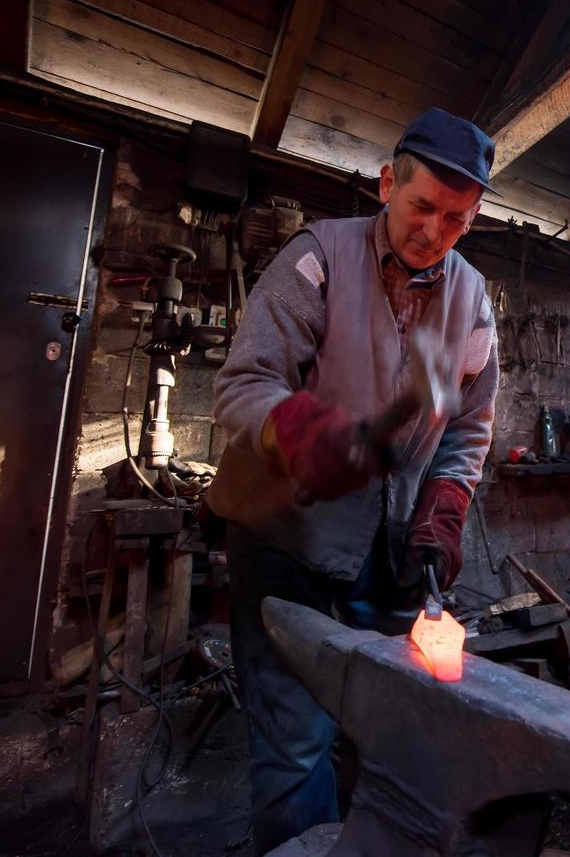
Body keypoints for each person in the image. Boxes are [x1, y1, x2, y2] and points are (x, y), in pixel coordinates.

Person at [207, 108, 499, 853]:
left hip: (391, 553)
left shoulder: (470, 300)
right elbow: (243, 387)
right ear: (386, 183)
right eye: (421, 207)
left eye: (457, 219)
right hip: (286, 544)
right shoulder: (318, 258)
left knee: (383, 739)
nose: (434, 231)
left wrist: (445, 504)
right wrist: (307, 435)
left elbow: (467, 423)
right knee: (295, 746)